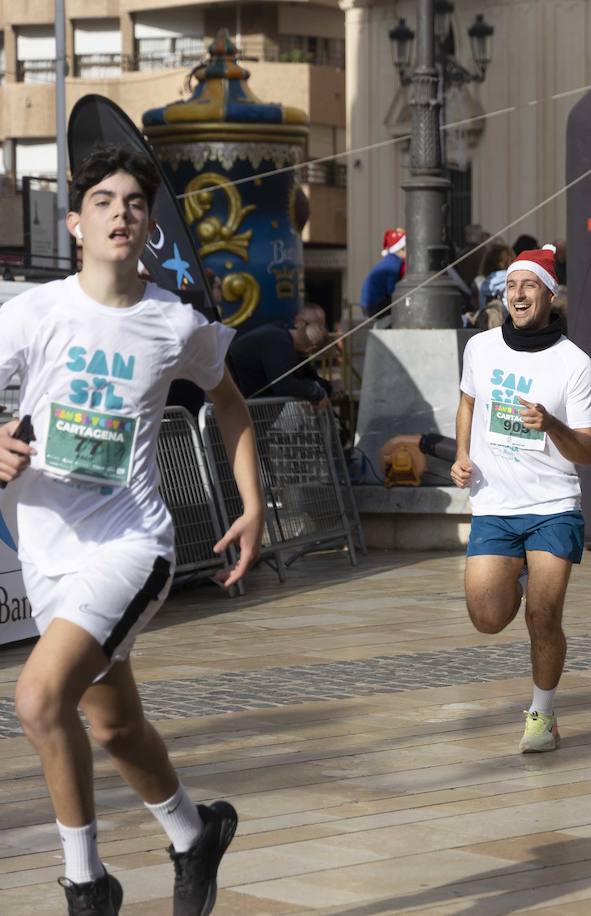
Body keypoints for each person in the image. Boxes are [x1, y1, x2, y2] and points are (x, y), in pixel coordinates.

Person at [0, 145, 264, 915]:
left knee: (39, 700)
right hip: (49, 553)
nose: (122, 212)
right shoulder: (34, 314)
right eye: (105, 201)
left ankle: (87, 883)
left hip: (133, 542)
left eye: (135, 205)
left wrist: (250, 503)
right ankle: (193, 834)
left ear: (148, 227)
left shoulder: (173, 323)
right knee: (112, 726)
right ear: (76, 222)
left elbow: (232, 403)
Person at [449, 245, 591, 754]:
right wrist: (461, 453)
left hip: (553, 504)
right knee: (487, 617)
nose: (517, 294)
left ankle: (542, 712)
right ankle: (515, 572)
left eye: (529, 286)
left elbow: (588, 451)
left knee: (543, 616)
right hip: (494, 502)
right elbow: (468, 401)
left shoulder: (574, 363)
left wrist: (551, 423)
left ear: (548, 295)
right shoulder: (481, 348)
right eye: (512, 285)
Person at [227, 304, 330, 404]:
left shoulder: (289, 342)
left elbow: (305, 376)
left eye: (320, 327)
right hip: (234, 401)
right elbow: (284, 385)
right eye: (313, 326)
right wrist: (317, 393)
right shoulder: (279, 341)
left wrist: (327, 387)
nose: (317, 330)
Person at [359, 228, 406, 317]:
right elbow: (392, 290)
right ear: (401, 249)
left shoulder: (389, 260)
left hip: (367, 305)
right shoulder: (394, 265)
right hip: (375, 306)